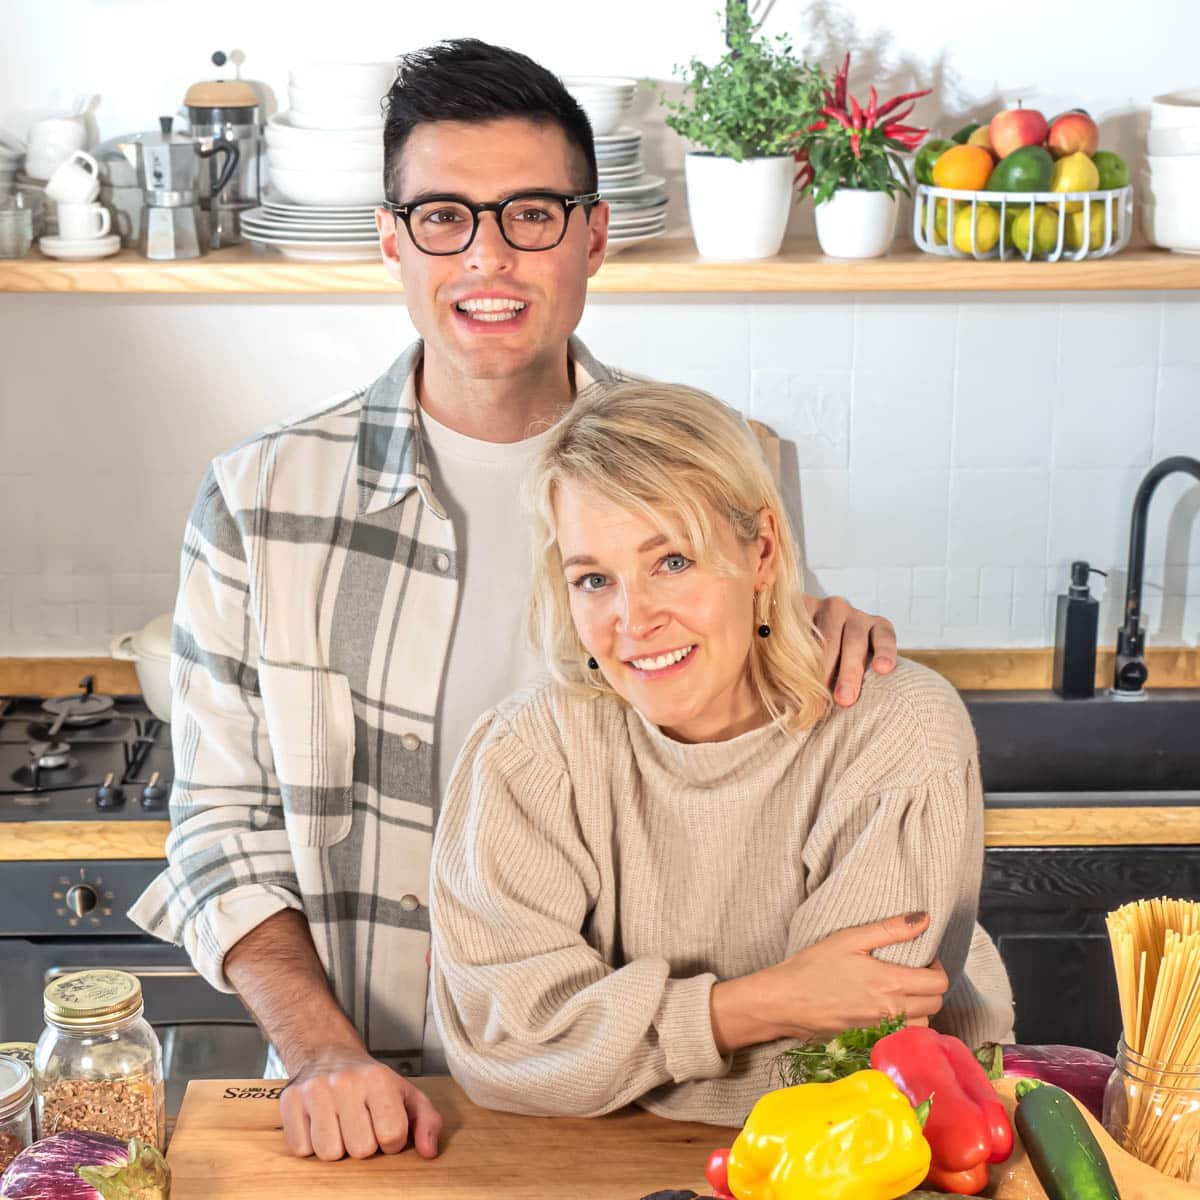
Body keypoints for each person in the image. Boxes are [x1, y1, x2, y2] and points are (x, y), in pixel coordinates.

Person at [128, 39, 902, 1162]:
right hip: (376, 1104)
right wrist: (322, 1054)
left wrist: (840, 660)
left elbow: (779, 765)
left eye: (531, 214)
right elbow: (219, 834)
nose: (487, 257)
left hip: (662, 1099)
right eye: (444, 216)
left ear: (594, 235)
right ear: (391, 238)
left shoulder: (726, 463)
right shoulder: (259, 501)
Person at [428, 380, 1015, 1126]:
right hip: (605, 1163)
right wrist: (756, 1006)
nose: (632, 620)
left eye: (672, 561)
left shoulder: (892, 729)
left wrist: (601, 1057)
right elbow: (506, 1054)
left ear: (762, 551)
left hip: (892, 1159)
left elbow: (844, 1073)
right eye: (594, 579)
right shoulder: (530, 752)